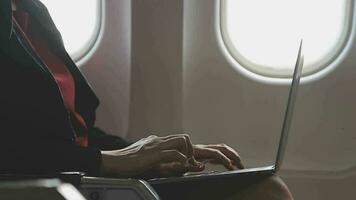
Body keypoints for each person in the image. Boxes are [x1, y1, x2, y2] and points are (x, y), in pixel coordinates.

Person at [0, 0, 293, 199]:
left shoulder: (32, 12)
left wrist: (155, 153)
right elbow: (16, 152)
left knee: (267, 188)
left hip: (89, 168)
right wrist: (113, 162)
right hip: (62, 185)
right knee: (267, 193)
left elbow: (78, 133)